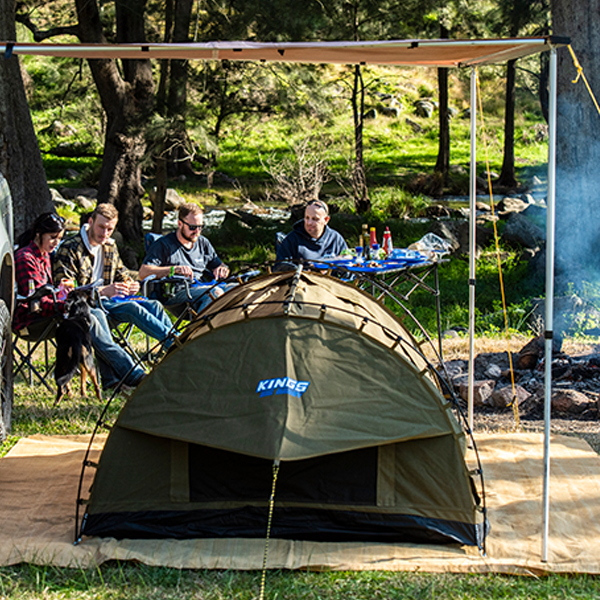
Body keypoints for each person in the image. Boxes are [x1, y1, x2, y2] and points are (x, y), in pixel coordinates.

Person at [53, 203, 166, 388]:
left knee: (152, 305)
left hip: (108, 303)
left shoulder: (109, 247)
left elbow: (122, 273)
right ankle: (134, 375)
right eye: (101, 227)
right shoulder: (70, 248)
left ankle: (175, 346)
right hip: (83, 308)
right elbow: (66, 292)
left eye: (110, 229)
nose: (105, 233)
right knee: (110, 315)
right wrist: (102, 291)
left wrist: (131, 284)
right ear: (90, 222)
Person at [138, 203, 235, 313]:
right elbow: (143, 273)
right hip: (178, 292)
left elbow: (218, 265)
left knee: (238, 289)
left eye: (200, 227)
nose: (197, 232)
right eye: (192, 227)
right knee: (215, 293)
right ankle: (198, 330)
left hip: (202, 286)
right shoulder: (163, 245)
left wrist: (222, 268)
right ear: (180, 224)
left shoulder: (203, 243)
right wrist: (173, 270)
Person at [13, 212, 68, 332]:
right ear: (39, 233)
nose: (56, 243)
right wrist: (66, 306)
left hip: (45, 312)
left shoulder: (45, 254)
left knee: (90, 315)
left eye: (59, 238)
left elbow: (46, 294)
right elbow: (37, 299)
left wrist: (62, 293)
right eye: (53, 237)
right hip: (28, 319)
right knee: (82, 319)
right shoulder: (25, 258)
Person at [276, 200, 347, 262]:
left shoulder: (336, 239)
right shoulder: (292, 239)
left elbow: (348, 264)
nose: (309, 222)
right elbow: (281, 268)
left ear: (326, 220)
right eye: (307, 218)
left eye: (314, 219)